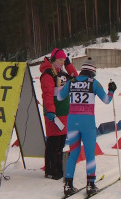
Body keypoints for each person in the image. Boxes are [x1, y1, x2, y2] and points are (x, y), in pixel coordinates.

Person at [57, 57, 117, 196]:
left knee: (73, 153)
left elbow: (59, 97)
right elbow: (107, 100)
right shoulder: (94, 83)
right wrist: (111, 91)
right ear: (93, 72)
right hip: (87, 122)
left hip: (72, 122)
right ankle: (90, 185)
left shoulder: (72, 82)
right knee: (90, 155)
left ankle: (68, 184)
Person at [40, 48, 78, 180]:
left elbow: (76, 78)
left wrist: (68, 65)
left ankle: (58, 168)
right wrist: (50, 110)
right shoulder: (48, 74)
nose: (62, 62)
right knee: (53, 142)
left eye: (64, 60)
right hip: (54, 114)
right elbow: (47, 94)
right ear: (53, 59)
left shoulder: (63, 73)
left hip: (64, 113)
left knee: (61, 143)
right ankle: (50, 169)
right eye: (60, 60)